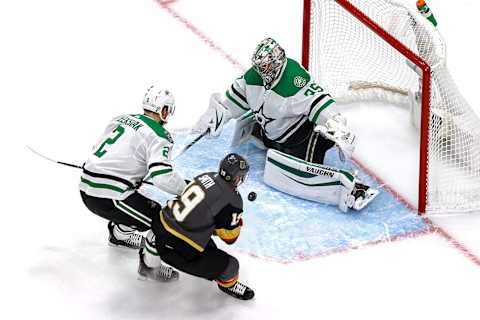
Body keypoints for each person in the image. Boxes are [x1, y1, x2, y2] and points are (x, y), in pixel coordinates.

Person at [193, 38, 378, 212]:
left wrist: (336, 124)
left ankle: (351, 189)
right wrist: (217, 115)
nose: (261, 71)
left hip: (303, 138)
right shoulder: (254, 77)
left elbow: (318, 101)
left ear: (277, 63)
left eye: (265, 66)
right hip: (271, 134)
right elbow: (235, 101)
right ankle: (271, 142)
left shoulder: (294, 80)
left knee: (283, 169)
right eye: (259, 67)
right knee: (272, 154)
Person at [79, 85, 187, 250]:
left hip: (85, 187)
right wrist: (187, 190)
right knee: (160, 219)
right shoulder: (159, 135)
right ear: (164, 110)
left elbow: (97, 149)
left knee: (137, 202)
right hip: (108, 197)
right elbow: (161, 177)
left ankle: (119, 233)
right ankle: (149, 267)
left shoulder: (120, 119)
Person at [138, 153, 255, 301]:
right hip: (180, 250)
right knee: (231, 266)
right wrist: (237, 222)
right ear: (237, 177)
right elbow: (230, 238)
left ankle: (149, 264)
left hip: (160, 228)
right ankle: (228, 284)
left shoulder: (206, 176)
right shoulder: (233, 200)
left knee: (167, 226)